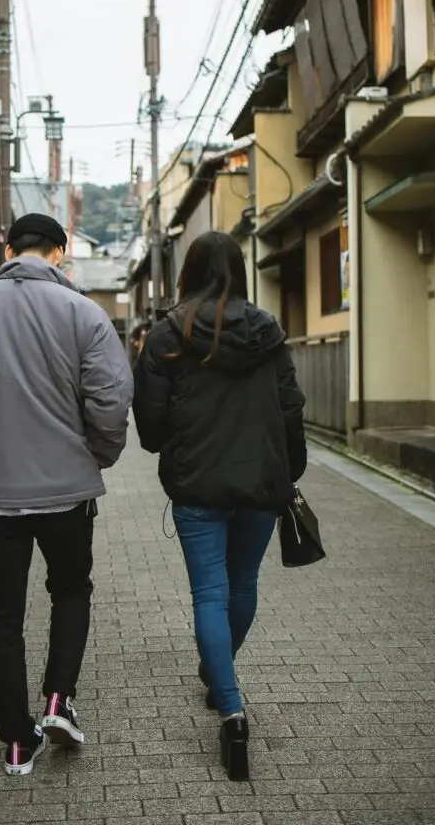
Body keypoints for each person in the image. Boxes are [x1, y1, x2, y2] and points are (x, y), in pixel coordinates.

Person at [0, 213, 133, 776]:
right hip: (69, 492)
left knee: (1, 615)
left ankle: (18, 742)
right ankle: (59, 701)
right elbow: (111, 400)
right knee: (71, 590)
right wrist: (99, 454)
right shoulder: (86, 314)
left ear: (8, 249)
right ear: (60, 254)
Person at [132, 231, 306, 782]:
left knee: (209, 593)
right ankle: (220, 678)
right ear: (239, 270)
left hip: (197, 487)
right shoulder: (267, 331)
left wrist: (176, 441)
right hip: (260, 484)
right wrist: (287, 472)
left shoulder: (167, 334)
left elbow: (152, 427)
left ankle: (231, 710)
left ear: (189, 272)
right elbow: (290, 408)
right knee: (242, 586)